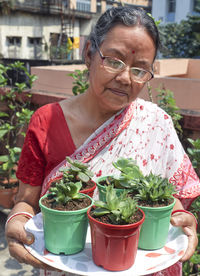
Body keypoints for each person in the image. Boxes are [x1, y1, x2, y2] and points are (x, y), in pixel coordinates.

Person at [5, 6, 199, 276]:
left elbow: (168, 200)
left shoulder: (156, 124)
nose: (124, 78)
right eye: (114, 61)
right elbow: (27, 200)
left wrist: (182, 218)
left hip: (140, 265)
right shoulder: (46, 122)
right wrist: (17, 221)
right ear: (88, 54)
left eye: (140, 70)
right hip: (68, 265)